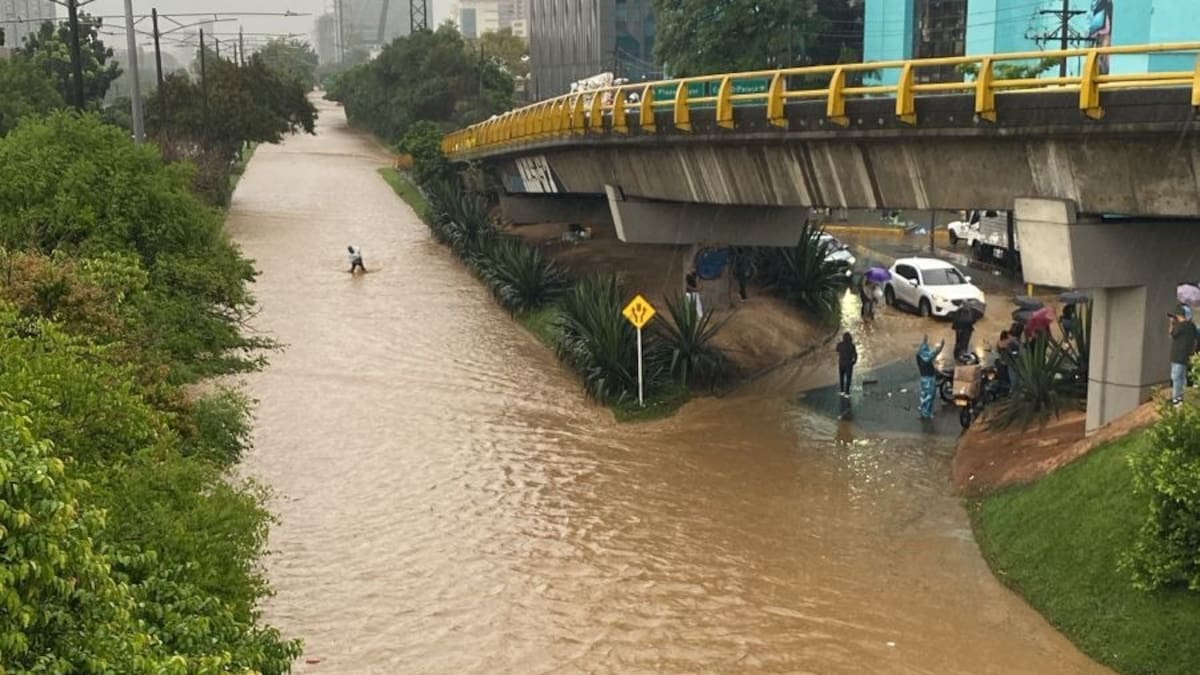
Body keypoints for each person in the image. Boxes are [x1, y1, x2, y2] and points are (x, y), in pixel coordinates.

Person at [1169, 304, 1197, 406]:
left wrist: (1172, 323)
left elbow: (1171, 334)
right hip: (1185, 355)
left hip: (1178, 356)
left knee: (1176, 377)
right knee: (1182, 377)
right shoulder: (1192, 326)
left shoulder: (1180, 326)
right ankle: (1182, 398)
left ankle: (1176, 399)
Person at [916, 335, 944, 420]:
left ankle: (923, 410)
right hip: (929, 379)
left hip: (923, 378)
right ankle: (926, 412)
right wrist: (941, 346)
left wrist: (924, 341)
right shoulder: (926, 357)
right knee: (930, 396)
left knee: (924, 395)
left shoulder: (918, 355)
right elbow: (933, 353)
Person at [836, 332, 858, 398]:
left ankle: (842, 391)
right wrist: (854, 362)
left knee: (841, 378)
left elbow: (837, 350)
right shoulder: (852, 345)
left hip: (841, 364)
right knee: (848, 378)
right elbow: (855, 354)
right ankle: (847, 393)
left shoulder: (840, 344)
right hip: (849, 364)